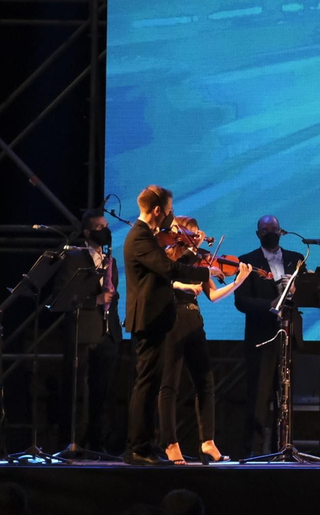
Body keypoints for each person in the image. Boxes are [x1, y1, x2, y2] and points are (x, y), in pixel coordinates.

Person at [122, 185, 214, 466]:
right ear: (157, 210)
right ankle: (138, 448)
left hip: (156, 318)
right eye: (170, 210)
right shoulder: (140, 236)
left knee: (151, 385)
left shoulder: (147, 236)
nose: (171, 216)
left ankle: (147, 446)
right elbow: (169, 268)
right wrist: (204, 272)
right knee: (146, 384)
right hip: (148, 318)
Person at [160, 215, 251, 464]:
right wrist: (183, 286)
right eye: (190, 233)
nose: (196, 237)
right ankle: (170, 443)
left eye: (196, 232)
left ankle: (208, 442)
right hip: (172, 320)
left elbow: (213, 295)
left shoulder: (200, 260)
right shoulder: (168, 256)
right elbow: (163, 281)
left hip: (194, 322)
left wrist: (237, 283)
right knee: (169, 385)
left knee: (206, 383)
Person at [234, 215, 304, 456]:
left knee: (286, 398)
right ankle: (253, 453)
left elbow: (307, 294)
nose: (270, 233)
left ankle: (283, 449)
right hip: (261, 338)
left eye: (274, 229)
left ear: (281, 231)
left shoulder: (297, 259)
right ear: (258, 234)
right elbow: (241, 301)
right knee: (258, 397)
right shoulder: (247, 261)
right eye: (265, 230)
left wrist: (296, 290)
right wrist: (270, 304)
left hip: (289, 335)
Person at [56, 211, 120, 456]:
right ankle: (70, 442)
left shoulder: (110, 259)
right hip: (82, 331)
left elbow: (112, 293)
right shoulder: (74, 257)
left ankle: (97, 442)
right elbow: (63, 296)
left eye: (106, 226)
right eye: (99, 227)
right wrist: (95, 300)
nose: (105, 230)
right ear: (87, 232)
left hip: (107, 331)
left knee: (101, 391)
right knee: (74, 390)